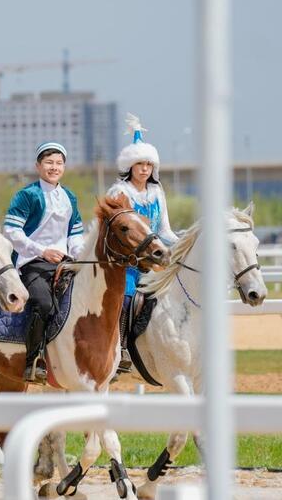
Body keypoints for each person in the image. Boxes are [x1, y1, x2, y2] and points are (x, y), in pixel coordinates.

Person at [3, 142, 84, 384]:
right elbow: (11, 231)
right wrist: (42, 251)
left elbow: (76, 233)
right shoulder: (27, 195)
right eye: (49, 162)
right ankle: (33, 360)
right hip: (32, 263)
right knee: (43, 303)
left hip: (65, 263)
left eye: (59, 163)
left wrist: (79, 254)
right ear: (38, 166)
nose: (54, 167)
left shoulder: (70, 196)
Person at [107, 113, 178, 374]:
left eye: (149, 164)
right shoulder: (119, 192)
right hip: (124, 263)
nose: (145, 169)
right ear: (130, 167)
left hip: (150, 261)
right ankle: (122, 349)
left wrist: (181, 246)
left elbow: (164, 230)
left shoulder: (157, 193)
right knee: (126, 298)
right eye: (140, 164)